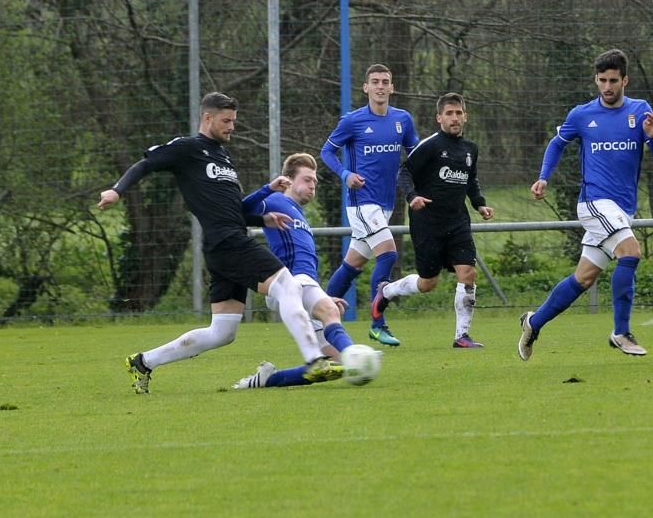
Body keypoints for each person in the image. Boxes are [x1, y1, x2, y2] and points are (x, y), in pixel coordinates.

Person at [97, 92, 337, 394]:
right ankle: (314, 359)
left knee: (222, 332)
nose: (231, 127)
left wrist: (262, 219)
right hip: (227, 243)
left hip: (227, 242)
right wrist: (118, 191)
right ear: (207, 118)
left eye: (234, 121)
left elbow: (228, 210)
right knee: (287, 284)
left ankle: (143, 362)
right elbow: (145, 164)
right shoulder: (187, 149)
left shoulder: (223, 157)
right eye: (226, 121)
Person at [517, 48, 653, 360]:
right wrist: (543, 176)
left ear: (625, 79)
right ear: (596, 80)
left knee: (584, 278)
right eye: (602, 80)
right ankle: (621, 332)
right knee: (631, 251)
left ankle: (534, 322)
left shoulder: (640, 111)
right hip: (594, 202)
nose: (607, 86)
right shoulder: (582, 114)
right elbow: (557, 143)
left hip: (622, 208)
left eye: (613, 80)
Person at [372, 92, 494, 348]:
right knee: (428, 283)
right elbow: (404, 171)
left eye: (458, 112)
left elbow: (470, 180)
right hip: (427, 222)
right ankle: (386, 292)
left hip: (458, 221)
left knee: (467, 272)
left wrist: (480, 203)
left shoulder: (471, 149)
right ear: (439, 118)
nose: (454, 117)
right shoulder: (431, 145)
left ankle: (461, 336)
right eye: (449, 113)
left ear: (465, 116)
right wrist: (412, 197)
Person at [232, 152, 360, 389]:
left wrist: (319, 296)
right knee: (331, 312)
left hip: (303, 286)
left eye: (315, 182)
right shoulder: (276, 200)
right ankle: (357, 354)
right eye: (307, 179)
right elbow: (240, 209)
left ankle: (266, 380)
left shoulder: (298, 212)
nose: (313, 185)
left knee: (335, 365)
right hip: (288, 282)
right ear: (289, 180)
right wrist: (267, 189)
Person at [320, 63, 419, 347]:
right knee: (388, 254)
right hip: (361, 202)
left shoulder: (403, 119)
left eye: (384, 81)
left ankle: (321, 315)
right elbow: (326, 151)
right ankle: (378, 322)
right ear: (365, 87)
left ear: (391, 87)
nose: (379, 86)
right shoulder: (352, 121)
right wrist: (345, 174)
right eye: (374, 81)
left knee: (353, 264)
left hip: (385, 203)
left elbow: (415, 154)